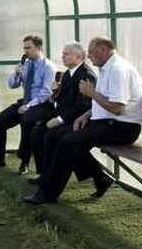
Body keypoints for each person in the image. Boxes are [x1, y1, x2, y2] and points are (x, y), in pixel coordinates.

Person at [24, 37, 142, 205]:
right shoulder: (106, 68)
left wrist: (92, 93)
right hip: (105, 122)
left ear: (103, 50)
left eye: (91, 51)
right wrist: (85, 116)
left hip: (123, 127)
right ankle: (101, 178)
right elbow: (104, 102)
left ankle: (47, 194)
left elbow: (117, 108)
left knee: (68, 142)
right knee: (60, 136)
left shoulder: (118, 69)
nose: (88, 56)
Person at [0, 35, 56, 174]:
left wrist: (29, 106)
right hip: (25, 101)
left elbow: (46, 92)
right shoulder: (26, 64)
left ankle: (24, 162)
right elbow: (12, 85)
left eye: (28, 48)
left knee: (27, 121)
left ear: (39, 48)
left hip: (42, 105)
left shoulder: (48, 67)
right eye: (24, 48)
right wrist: (16, 74)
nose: (25, 51)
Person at [29, 42, 95, 184]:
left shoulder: (86, 75)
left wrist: (60, 119)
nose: (62, 57)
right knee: (36, 133)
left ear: (79, 56)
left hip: (78, 120)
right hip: (65, 116)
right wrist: (54, 93)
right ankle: (44, 174)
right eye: (63, 54)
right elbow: (62, 99)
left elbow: (84, 105)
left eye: (66, 54)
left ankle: (50, 178)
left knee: (52, 136)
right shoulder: (68, 74)